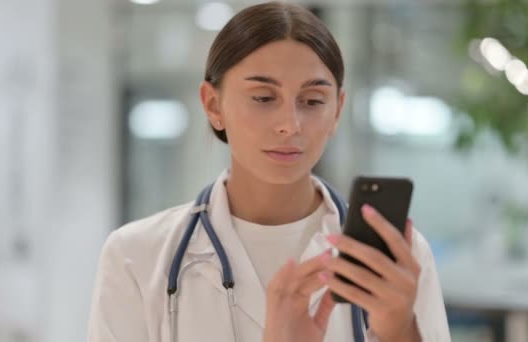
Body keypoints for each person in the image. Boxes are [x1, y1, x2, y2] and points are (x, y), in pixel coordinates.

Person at [87, 2, 450, 341]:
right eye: (263, 98)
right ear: (213, 105)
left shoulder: (397, 259)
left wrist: (401, 332)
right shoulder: (136, 256)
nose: (290, 124)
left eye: (312, 101)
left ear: (337, 111)